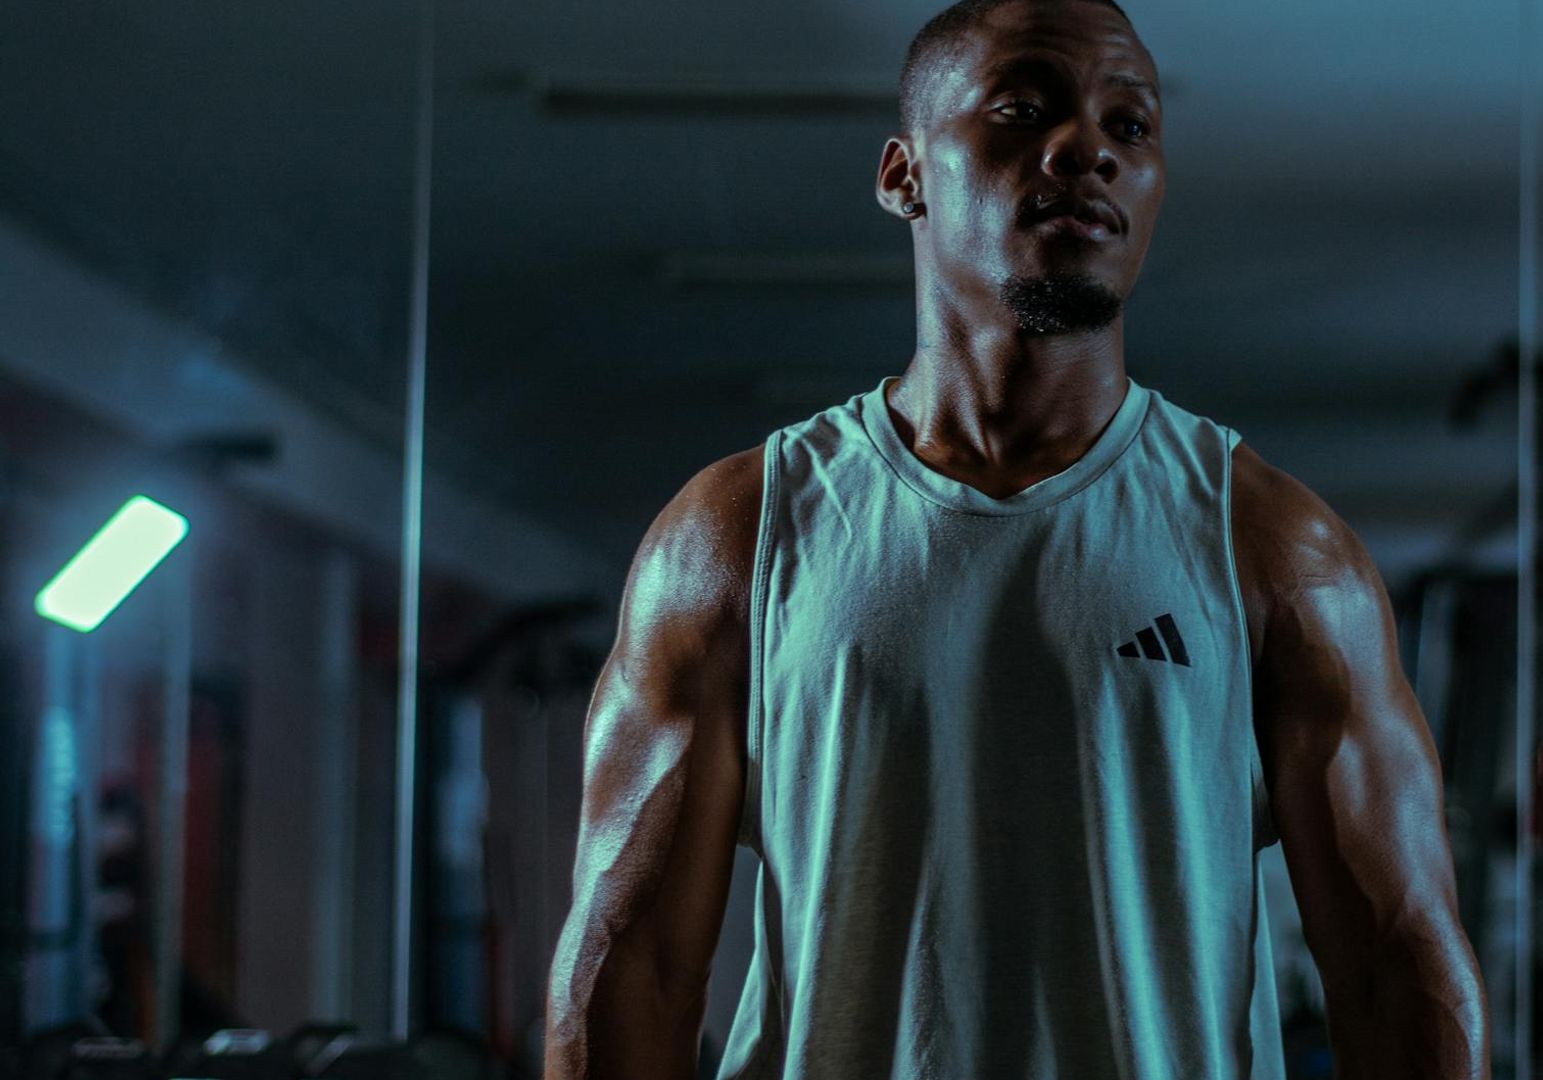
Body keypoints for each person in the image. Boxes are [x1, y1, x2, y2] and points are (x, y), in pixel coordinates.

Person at [544, 0, 1489, 1076]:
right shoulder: (736, 537)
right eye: (1023, 109)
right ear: (903, 175)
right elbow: (632, 962)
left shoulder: (1275, 548)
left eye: (1129, 125)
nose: (1088, 147)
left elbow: (1396, 963)